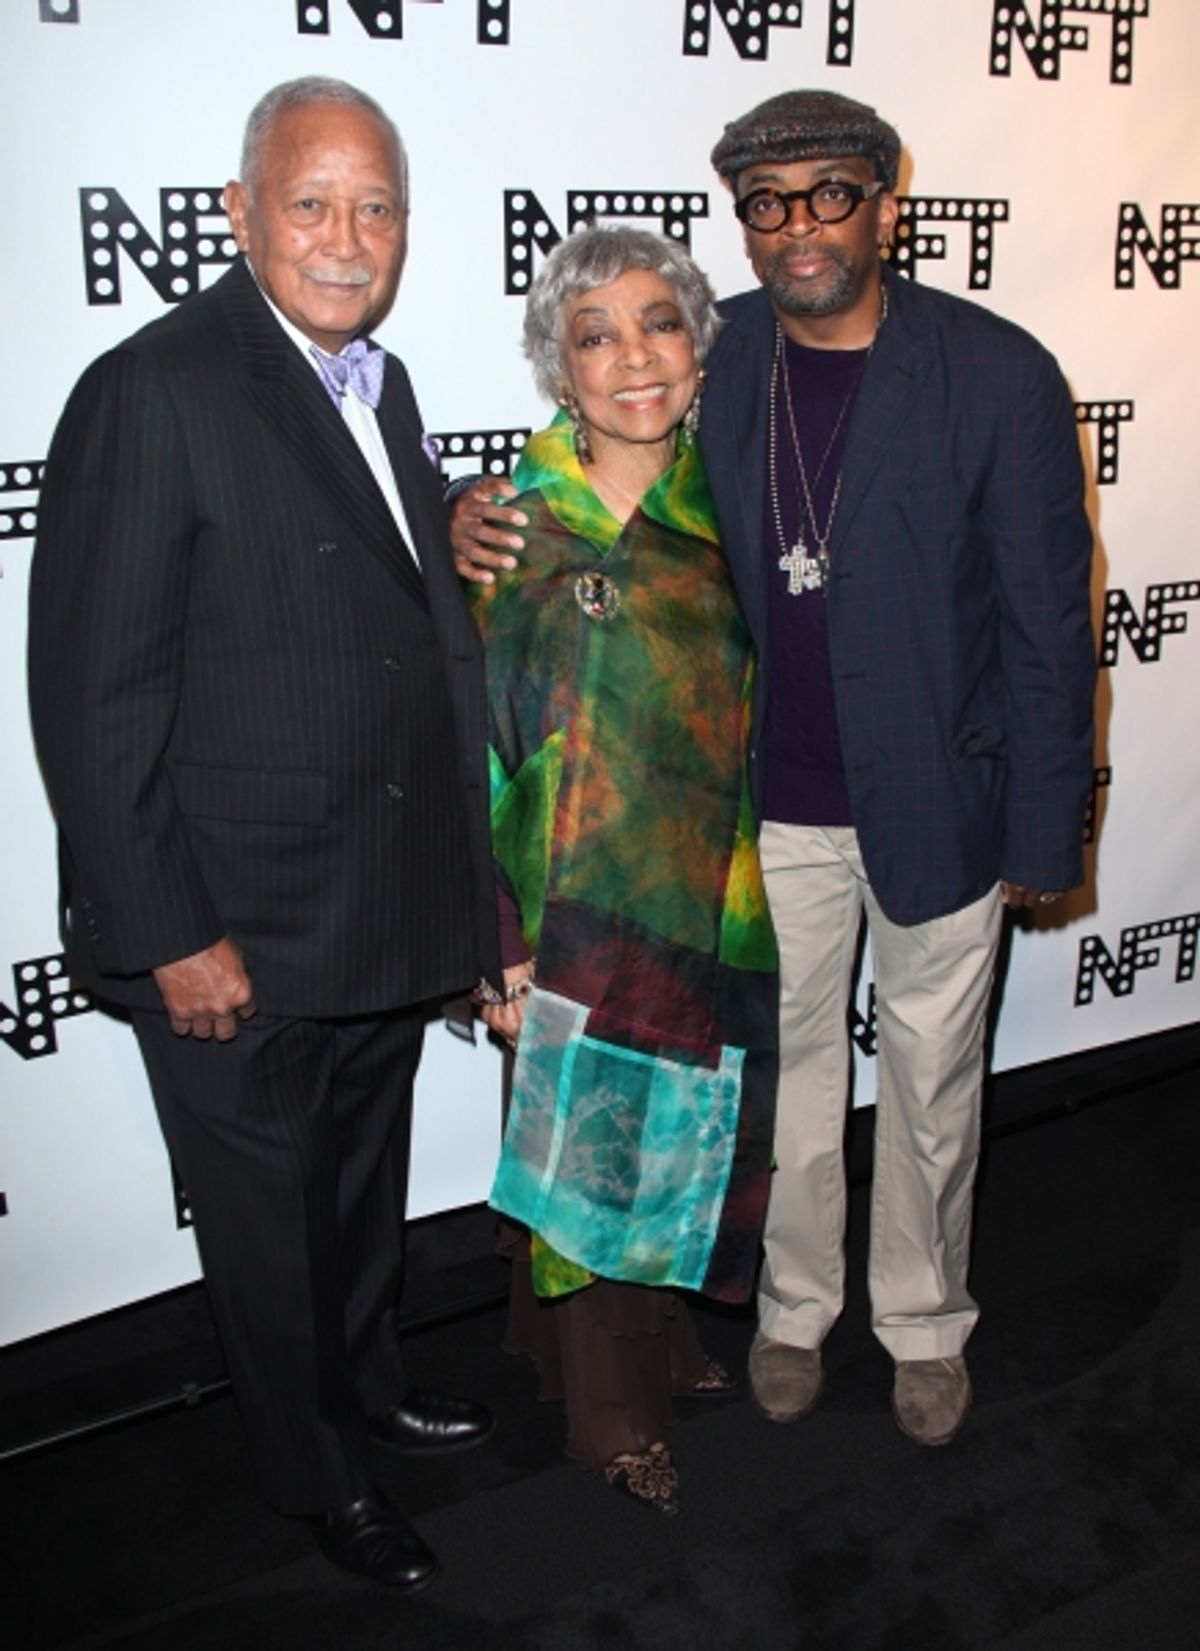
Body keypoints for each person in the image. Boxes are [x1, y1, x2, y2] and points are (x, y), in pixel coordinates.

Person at [451, 91, 1096, 1449]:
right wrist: (475, 511)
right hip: (766, 815)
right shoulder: (719, 361)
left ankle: (924, 1320)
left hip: (944, 804)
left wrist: (1049, 822)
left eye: (830, 192)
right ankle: (795, 1307)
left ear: (887, 201)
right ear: (740, 225)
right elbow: (599, 448)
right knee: (789, 1083)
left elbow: (1051, 617)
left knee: (932, 1083)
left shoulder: (999, 372)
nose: (800, 223)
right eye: (768, 200)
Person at [28, 77, 500, 1589]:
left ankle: (364, 1392)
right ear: (239, 214)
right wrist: (168, 928)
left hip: (367, 907)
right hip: (228, 926)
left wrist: (460, 523)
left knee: (358, 1193)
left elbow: (361, 583)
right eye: (312, 203)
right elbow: (92, 695)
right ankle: (318, 1481)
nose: (348, 238)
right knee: (265, 1228)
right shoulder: (151, 387)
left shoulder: (385, 381)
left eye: (377, 208)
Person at [470, 226, 778, 1513]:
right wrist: (490, 932)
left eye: (659, 323)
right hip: (566, 911)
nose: (633, 357)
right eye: (596, 335)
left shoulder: (741, 503)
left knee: (687, 1137)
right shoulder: (509, 527)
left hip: (710, 893)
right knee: (583, 1153)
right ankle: (606, 1415)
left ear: (700, 344)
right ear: (560, 367)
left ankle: (659, 1343)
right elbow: (465, 746)